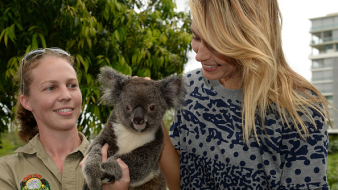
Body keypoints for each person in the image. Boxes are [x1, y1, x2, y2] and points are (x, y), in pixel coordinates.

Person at [160, 0, 332, 189]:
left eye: (216, 43)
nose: (199, 55)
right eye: (196, 38)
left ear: (251, 38)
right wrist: (152, 120)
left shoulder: (299, 110)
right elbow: (180, 182)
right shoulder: (188, 89)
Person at [0, 48, 130, 190]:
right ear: (27, 102)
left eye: (72, 85)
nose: (66, 95)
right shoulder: (7, 171)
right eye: (51, 88)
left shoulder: (118, 163)